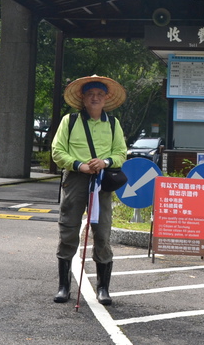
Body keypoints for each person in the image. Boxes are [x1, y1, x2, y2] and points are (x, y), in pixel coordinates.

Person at [51, 74, 127, 306]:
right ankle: (64, 287)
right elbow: (57, 151)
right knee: (69, 230)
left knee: (102, 232)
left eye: (99, 95)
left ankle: (103, 288)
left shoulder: (113, 124)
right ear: (83, 98)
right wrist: (79, 165)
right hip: (75, 180)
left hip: (102, 183)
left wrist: (105, 162)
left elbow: (121, 154)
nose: (95, 98)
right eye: (91, 94)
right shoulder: (69, 121)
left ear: (106, 99)